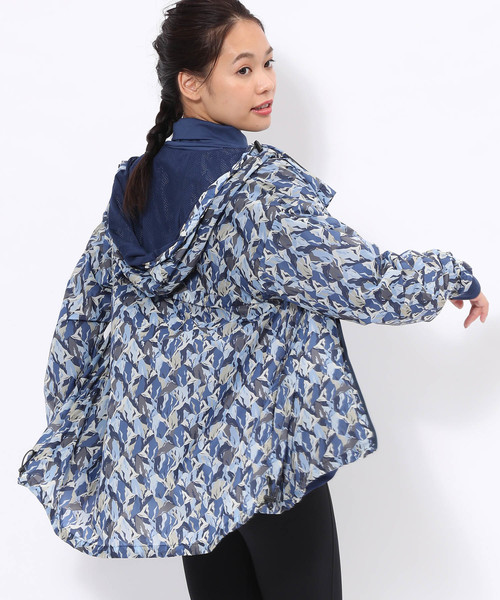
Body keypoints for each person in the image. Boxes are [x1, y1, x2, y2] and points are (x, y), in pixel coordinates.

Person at [17, 1, 489, 599]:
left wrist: (74, 427)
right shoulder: (256, 196)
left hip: (184, 471)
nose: (266, 83)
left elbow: (78, 326)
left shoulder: (136, 190)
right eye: (243, 69)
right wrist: (453, 276)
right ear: (191, 84)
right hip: (267, 460)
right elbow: (358, 278)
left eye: (268, 63)